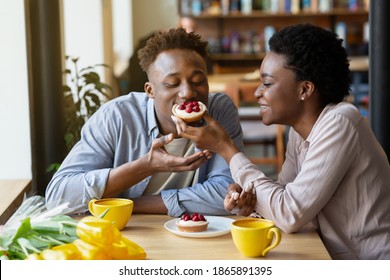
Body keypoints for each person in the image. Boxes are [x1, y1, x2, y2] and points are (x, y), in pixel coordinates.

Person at [172, 23, 390, 259]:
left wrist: (226, 148)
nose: (257, 92)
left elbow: (290, 214)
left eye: (266, 83)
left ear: (304, 89)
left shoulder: (340, 121)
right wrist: (250, 203)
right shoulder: (300, 131)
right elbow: (284, 196)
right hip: (327, 257)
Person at [45, 28, 243, 217]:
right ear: (150, 91)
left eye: (198, 80)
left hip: (193, 233)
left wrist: (130, 204)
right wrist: (146, 166)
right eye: (172, 84)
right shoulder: (115, 117)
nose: (188, 93)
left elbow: (226, 195)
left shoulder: (218, 110)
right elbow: (58, 196)